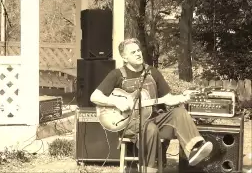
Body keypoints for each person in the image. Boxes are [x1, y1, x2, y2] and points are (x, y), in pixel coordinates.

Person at [90, 38, 213, 172]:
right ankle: (149, 170)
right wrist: (116, 102)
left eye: (138, 50)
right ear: (125, 58)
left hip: (155, 119)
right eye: (133, 52)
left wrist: (183, 97)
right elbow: (95, 96)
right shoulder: (117, 75)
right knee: (151, 129)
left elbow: (168, 99)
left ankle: (194, 149)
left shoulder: (152, 72)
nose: (138, 54)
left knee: (179, 113)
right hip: (132, 124)